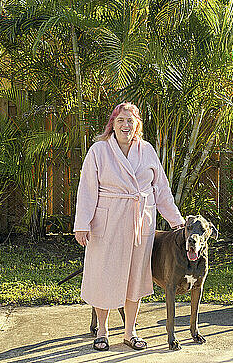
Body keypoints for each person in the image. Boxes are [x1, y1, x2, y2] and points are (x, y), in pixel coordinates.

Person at [74, 102, 185, 352]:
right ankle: (102, 330)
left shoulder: (146, 151)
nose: (126, 125)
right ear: (112, 124)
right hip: (107, 222)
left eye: (130, 121)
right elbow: (87, 190)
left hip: (140, 223)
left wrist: (175, 220)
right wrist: (82, 224)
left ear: (137, 126)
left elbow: (162, 190)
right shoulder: (99, 151)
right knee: (105, 275)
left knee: (135, 277)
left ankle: (130, 331)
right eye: (121, 120)